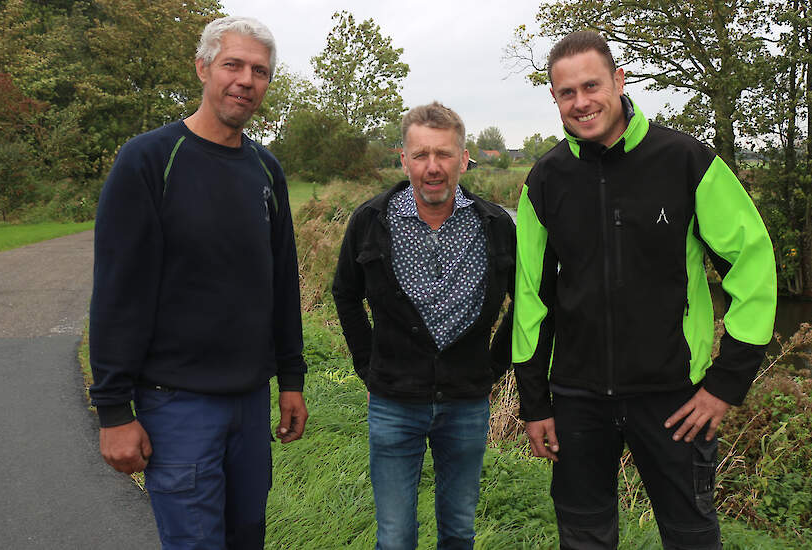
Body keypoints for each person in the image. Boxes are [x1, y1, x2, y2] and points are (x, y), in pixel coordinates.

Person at [512, 31, 776, 549]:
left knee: (691, 537)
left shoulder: (685, 161)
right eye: (567, 93)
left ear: (619, 80)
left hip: (674, 397)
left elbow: (753, 265)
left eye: (592, 85)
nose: (582, 102)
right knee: (584, 536)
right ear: (555, 99)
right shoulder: (545, 180)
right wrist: (534, 400)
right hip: (578, 398)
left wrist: (726, 382)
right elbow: (530, 297)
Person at [89, 16, 308, 550]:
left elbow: (280, 282)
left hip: (250, 403)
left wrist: (292, 378)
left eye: (259, 71)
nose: (246, 80)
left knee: (247, 537)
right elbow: (118, 290)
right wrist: (115, 411)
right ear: (203, 67)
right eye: (233, 65)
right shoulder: (149, 160)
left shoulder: (265, 170)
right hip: (176, 406)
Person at [332, 102, 516, 550]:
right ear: (404, 159)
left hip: (467, 404)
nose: (432, 167)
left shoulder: (494, 226)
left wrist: (494, 368)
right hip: (394, 401)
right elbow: (346, 294)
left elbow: (527, 304)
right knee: (395, 538)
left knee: (458, 532)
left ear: (464, 158)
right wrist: (368, 366)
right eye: (421, 155)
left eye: (444, 155)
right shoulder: (370, 222)